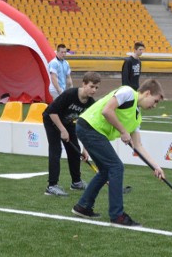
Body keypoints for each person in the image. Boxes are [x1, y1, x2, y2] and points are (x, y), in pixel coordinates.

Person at [72, 78, 165, 226]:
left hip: (92, 131)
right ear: (147, 93)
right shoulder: (127, 92)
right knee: (116, 167)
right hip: (89, 128)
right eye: (155, 101)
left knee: (105, 171)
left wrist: (156, 166)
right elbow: (107, 111)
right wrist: (123, 131)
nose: (154, 106)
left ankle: (83, 207)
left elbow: (138, 146)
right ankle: (117, 216)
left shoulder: (137, 117)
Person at [43, 72, 101, 196]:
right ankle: (52, 186)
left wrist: (86, 149)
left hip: (68, 122)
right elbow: (52, 112)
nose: (94, 90)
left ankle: (76, 182)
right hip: (52, 119)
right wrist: (62, 130)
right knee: (55, 150)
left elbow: (90, 126)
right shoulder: (70, 94)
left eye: (96, 88)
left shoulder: (91, 103)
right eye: (91, 86)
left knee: (75, 151)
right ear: (84, 84)